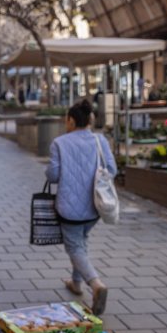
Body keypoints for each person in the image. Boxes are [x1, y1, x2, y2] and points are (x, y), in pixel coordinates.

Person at [45, 99, 117, 316]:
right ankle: (76, 283)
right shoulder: (99, 141)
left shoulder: (59, 143)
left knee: (75, 246)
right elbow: (111, 169)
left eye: (66, 119)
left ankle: (96, 285)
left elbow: (54, 176)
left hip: (69, 207)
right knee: (81, 242)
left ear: (72, 120)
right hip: (95, 207)